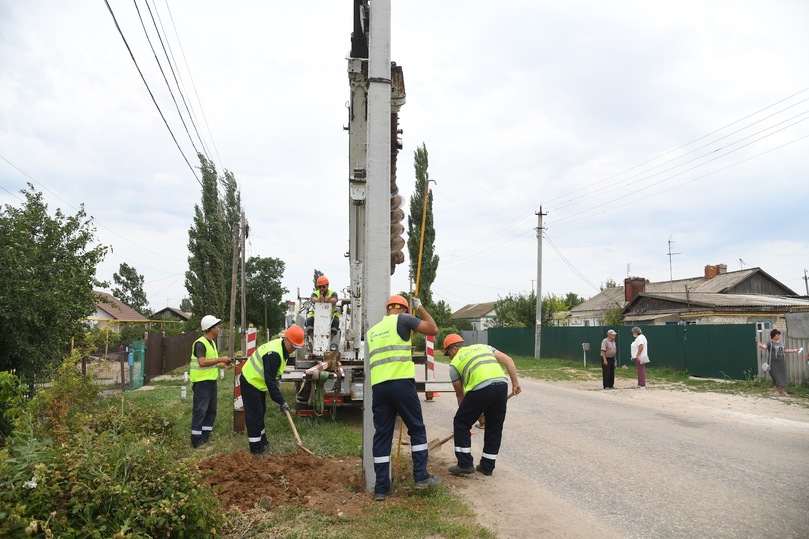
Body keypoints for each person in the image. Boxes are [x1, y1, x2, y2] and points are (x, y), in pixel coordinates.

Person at [366, 295, 442, 501]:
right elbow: (433, 329)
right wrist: (421, 308)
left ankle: (381, 488)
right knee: (416, 428)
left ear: (388, 309)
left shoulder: (372, 332)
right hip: (401, 384)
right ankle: (421, 477)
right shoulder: (404, 320)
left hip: (379, 387)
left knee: (382, 435)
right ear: (404, 309)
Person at [441, 334, 521, 477]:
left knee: (460, 422)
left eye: (448, 354)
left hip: (481, 388)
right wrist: (515, 383)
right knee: (494, 427)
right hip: (502, 385)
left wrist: (469, 417)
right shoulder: (485, 347)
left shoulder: (454, 365)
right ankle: (487, 466)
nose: (449, 358)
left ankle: (464, 464)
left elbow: (461, 396)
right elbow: (508, 360)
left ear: (453, 349)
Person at [240, 325, 305, 454]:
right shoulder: (274, 354)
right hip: (250, 381)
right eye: (292, 345)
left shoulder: (283, 349)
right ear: (286, 339)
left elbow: (273, 378)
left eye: (296, 347)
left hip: (259, 383)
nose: (293, 349)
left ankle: (263, 440)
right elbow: (270, 383)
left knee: (261, 411)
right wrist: (282, 401)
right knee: (254, 416)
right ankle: (256, 450)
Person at [190, 315, 232, 448]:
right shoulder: (200, 343)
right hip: (201, 383)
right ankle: (196, 440)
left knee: (211, 410)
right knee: (200, 410)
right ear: (210, 328)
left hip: (211, 381)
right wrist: (220, 359)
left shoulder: (212, 343)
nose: (219, 328)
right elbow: (202, 362)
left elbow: (211, 362)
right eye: (217, 326)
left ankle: (205, 437)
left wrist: (222, 365)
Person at [755, 329, 802, 396]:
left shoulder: (781, 343)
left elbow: (784, 350)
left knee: (782, 376)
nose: (779, 336)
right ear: (773, 336)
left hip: (781, 362)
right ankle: (776, 391)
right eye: (777, 334)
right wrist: (760, 345)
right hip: (773, 362)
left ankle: (783, 391)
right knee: (774, 376)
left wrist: (795, 350)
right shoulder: (770, 343)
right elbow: (764, 347)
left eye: (779, 334)